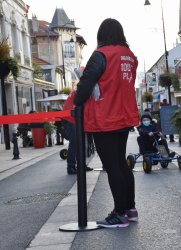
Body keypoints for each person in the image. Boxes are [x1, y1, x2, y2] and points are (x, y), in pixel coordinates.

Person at [74, 18, 139, 228]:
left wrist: (77, 98)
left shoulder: (101, 54)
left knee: (112, 167)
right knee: (121, 164)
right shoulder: (129, 56)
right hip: (124, 115)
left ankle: (119, 213)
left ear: (101, 35)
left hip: (105, 117)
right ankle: (130, 209)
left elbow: (85, 86)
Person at [61, 90, 93, 174]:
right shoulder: (84, 92)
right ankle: (71, 166)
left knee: (79, 143)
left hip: (71, 118)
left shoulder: (79, 90)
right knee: (75, 143)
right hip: (70, 119)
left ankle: (81, 165)